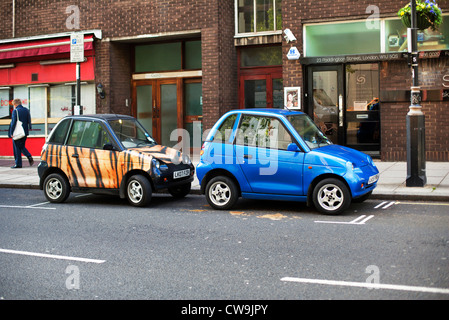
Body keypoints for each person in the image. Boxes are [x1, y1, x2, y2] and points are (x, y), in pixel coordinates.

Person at [8, 99, 34, 168]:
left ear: (15, 104)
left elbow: (13, 123)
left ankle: (19, 163)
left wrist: (11, 132)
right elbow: (29, 120)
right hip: (24, 132)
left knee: (17, 148)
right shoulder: (26, 110)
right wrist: (29, 128)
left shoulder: (15, 111)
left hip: (17, 132)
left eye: (13, 105)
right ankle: (27, 157)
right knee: (21, 146)